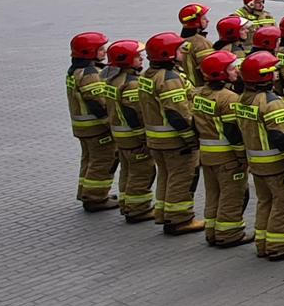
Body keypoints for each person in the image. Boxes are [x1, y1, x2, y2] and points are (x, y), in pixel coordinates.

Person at [236, 51, 284, 261]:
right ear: (265, 75)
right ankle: (280, 246)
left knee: (265, 202)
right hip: (276, 164)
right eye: (273, 71)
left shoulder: (244, 99)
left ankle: (263, 243)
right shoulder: (272, 103)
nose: (277, 74)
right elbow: (279, 136)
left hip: (257, 163)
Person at [137, 32, 203, 235]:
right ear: (168, 54)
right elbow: (177, 113)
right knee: (181, 178)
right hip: (175, 142)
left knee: (166, 176)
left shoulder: (148, 75)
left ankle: (163, 213)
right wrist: (190, 138)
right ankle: (180, 219)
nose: (183, 51)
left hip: (157, 140)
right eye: (178, 49)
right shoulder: (169, 79)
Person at [189, 50, 250, 248]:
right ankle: (229, 234)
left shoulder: (199, 94)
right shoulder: (228, 99)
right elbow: (233, 132)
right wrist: (242, 156)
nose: (236, 71)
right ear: (220, 73)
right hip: (227, 158)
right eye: (231, 69)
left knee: (213, 194)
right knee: (231, 195)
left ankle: (212, 232)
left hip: (207, 156)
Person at [64, 32, 120, 212]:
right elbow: (97, 103)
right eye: (101, 49)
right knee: (103, 161)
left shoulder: (75, 70)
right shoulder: (90, 74)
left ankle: (86, 192)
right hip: (96, 129)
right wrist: (110, 122)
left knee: (89, 160)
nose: (104, 52)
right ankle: (96, 198)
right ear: (88, 52)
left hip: (84, 129)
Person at [103, 38, 155, 222]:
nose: (142, 58)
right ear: (126, 60)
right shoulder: (132, 84)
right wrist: (143, 137)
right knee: (141, 172)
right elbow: (134, 114)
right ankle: (138, 209)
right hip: (134, 138)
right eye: (137, 56)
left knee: (127, 171)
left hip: (121, 136)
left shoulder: (113, 80)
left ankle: (126, 204)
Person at [177, 4, 216, 89]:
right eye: (204, 18)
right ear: (196, 22)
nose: (208, 20)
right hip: (199, 89)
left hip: (185, 88)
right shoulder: (202, 43)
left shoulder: (179, 42)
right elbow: (211, 70)